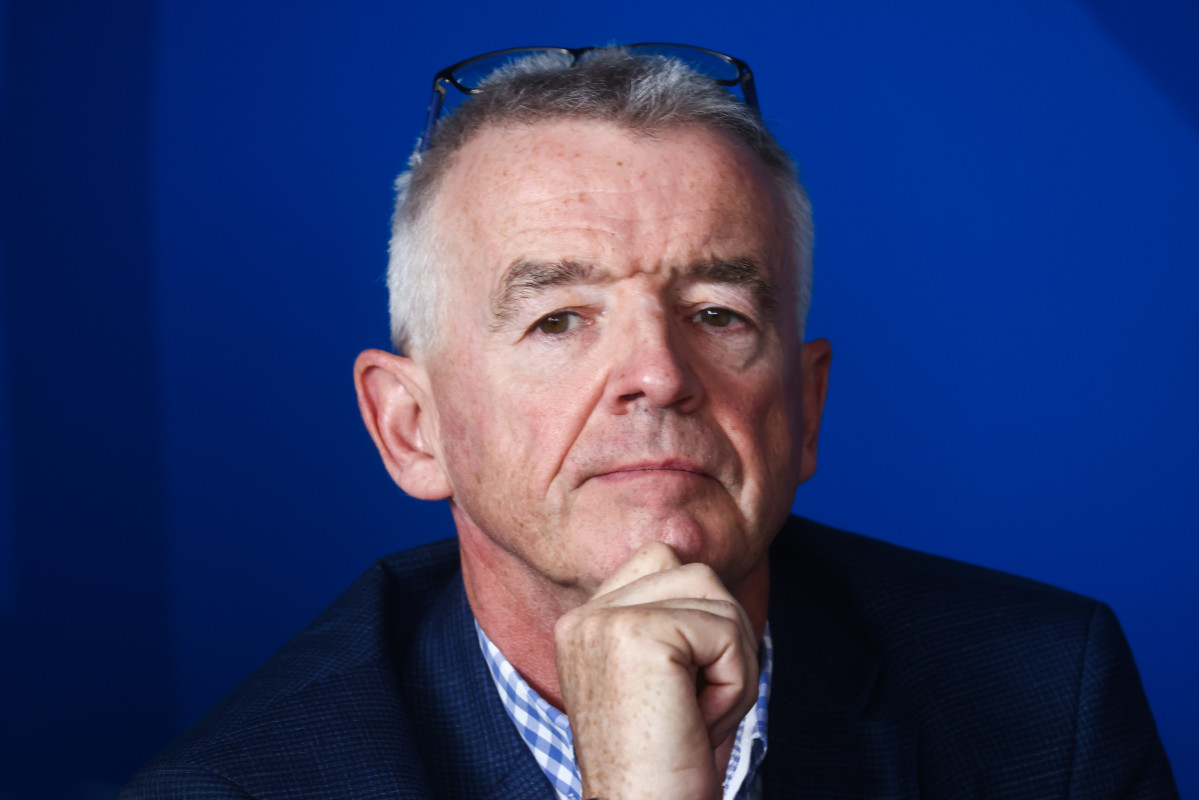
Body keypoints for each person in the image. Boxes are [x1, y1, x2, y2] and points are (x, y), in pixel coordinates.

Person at [122, 45, 1178, 800]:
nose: (658, 376)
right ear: (411, 427)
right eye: (557, 318)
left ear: (805, 406)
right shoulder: (239, 786)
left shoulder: (1048, 691)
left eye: (717, 313)